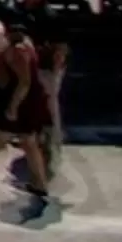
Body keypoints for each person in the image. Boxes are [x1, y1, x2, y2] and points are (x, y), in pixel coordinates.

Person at [0, 20, 53, 210]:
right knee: (29, 142)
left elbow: (24, 82)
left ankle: (1, 178)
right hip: (27, 100)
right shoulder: (26, 44)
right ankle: (39, 184)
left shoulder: (19, 51)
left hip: (22, 102)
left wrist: (12, 107)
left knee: (9, 137)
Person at [38, 28, 71, 177]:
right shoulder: (41, 71)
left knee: (51, 134)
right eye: (58, 55)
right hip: (42, 102)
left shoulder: (60, 68)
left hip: (51, 102)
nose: (61, 58)